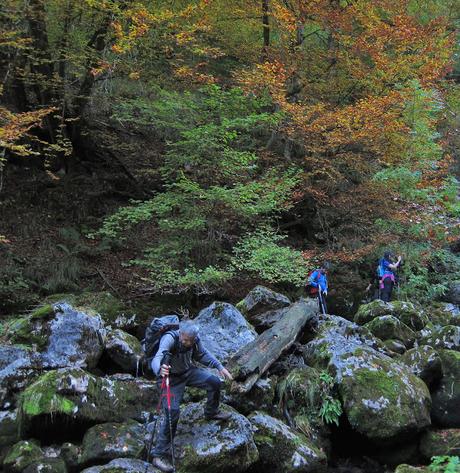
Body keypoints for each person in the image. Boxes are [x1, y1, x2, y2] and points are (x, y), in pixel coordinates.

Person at [150, 320, 233, 472]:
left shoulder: (195, 340)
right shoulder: (170, 338)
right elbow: (157, 358)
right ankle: (158, 455)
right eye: (185, 339)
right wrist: (159, 369)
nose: (186, 342)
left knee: (214, 382)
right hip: (170, 379)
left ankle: (211, 411)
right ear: (180, 333)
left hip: (188, 372)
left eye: (190, 340)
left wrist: (219, 366)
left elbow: (202, 355)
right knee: (172, 413)